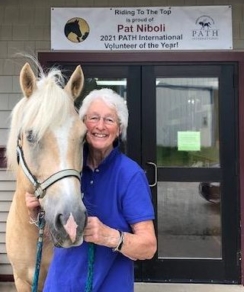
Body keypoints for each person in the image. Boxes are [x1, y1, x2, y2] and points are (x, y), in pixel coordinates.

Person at [26, 88, 157, 292]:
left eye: (109, 120)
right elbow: (59, 235)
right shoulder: (67, 169)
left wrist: (109, 236)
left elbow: (148, 247)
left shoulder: (130, 175)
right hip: (60, 285)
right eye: (93, 118)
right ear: (83, 124)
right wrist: (37, 213)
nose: (100, 126)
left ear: (119, 129)